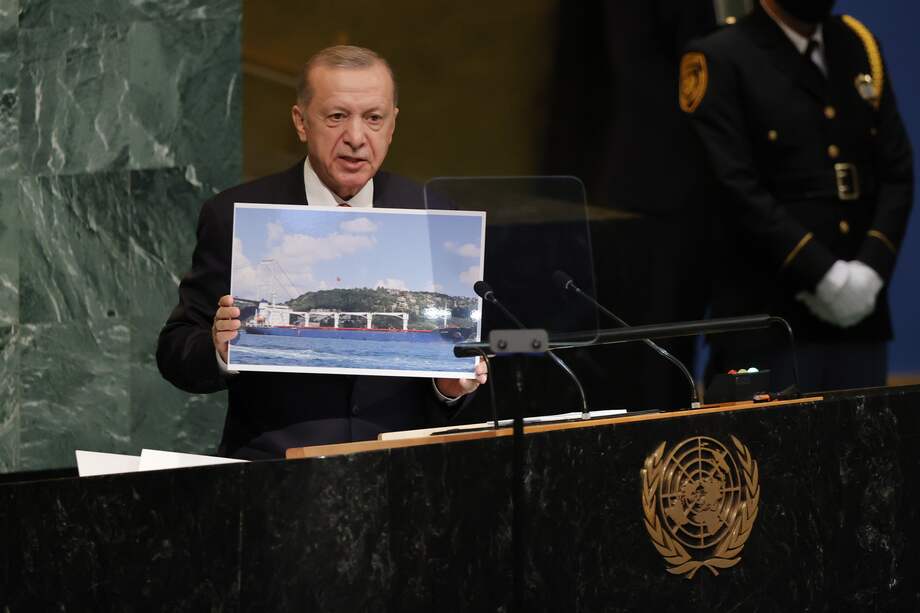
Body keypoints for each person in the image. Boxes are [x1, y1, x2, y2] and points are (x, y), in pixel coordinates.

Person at [157, 45, 487, 459]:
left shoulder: (436, 216)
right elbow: (175, 354)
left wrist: (450, 387)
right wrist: (218, 349)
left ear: (392, 126)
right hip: (275, 476)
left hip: (400, 473)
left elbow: (461, 371)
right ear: (301, 122)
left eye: (373, 118)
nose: (355, 137)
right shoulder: (232, 216)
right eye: (336, 116)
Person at [682, 0, 914, 391]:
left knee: (865, 449)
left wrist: (869, 273)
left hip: (861, 317)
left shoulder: (857, 44)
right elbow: (735, 188)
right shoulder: (721, 56)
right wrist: (823, 275)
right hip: (770, 319)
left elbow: (896, 171)